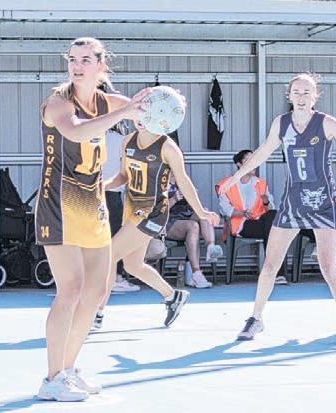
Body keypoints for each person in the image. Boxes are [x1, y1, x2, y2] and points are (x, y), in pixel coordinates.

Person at [218, 73, 336, 345]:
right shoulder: (281, 124)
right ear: (289, 96)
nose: (301, 98)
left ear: (315, 97)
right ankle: (255, 318)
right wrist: (235, 177)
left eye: (306, 93)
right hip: (294, 201)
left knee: (328, 267)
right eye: (297, 92)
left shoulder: (326, 123)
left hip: (324, 202)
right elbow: (262, 153)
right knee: (270, 264)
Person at [34, 37, 151, 402]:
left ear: (101, 66)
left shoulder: (107, 102)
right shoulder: (58, 102)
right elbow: (76, 130)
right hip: (58, 203)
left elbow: (146, 114)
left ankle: (67, 369)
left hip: (92, 203)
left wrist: (162, 103)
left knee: (98, 292)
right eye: (72, 59)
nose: (77, 66)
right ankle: (51, 378)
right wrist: (124, 113)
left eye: (86, 60)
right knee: (70, 288)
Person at [96, 120, 220, 329]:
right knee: (132, 265)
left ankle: (97, 313)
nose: (141, 120)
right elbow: (124, 176)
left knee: (110, 255)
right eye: (139, 114)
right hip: (132, 208)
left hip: (153, 211)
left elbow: (184, 182)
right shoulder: (128, 141)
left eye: (147, 115)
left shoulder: (168, 147)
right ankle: (173, 296)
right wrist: (103, 186)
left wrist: (201, 212)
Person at [217, 149, 289, 285]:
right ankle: (277, 274)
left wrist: (266, 202)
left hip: (260, 221)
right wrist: (241, 213)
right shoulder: (227, 184)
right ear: (239, 164)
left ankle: (274, 273)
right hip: (241, 224)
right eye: (248, 160)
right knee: (275, 232)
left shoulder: (260, 183)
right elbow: (224, 209)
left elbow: (270, 209)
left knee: (274, 216)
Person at [102, 120, 140, 295]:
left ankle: (98, 277)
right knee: (114, 236)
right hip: (112, 193)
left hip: (91, 193)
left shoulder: (92, 137)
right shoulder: (121, 140)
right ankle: (116, 277)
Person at [166, 177, 223, 288]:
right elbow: (156, 210)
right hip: (169, 220)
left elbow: (197, 206)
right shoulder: (160, 181)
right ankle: (196, 273)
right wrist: (174, 199)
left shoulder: (182, 178)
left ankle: (211, 247)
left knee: (205, 213)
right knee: (193, 226)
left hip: (186, 214)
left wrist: (192, 196)